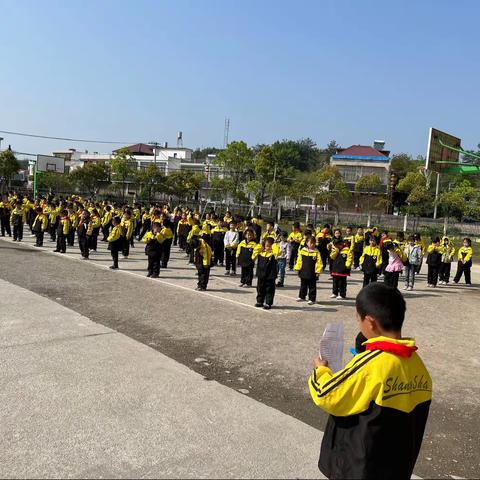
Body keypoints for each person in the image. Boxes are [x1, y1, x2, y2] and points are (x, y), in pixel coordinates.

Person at [308, 283, 432, 480]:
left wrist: (320, 370)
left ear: (370, 322)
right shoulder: (417, 364)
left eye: (358, 318)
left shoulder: (373, 364)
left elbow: (326, 394)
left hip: (361, 466)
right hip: (397, 466)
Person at [294, 236, 323, 305]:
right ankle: (302, 296)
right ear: (306, 243)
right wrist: (298, 268)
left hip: (312, 272)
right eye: (311, 243)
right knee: (303, 285)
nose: (312, 244)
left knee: (312, 286)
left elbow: (319, 262)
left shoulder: (316, 252)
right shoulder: (303, 251)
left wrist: (318, 271)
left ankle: (312, 299)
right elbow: (299, 260)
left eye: (314, 243)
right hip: (303, 271)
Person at [253, 237, 278, 310]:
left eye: (270, 246)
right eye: (266, 246)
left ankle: (268, 302)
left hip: (270, 275)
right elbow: (254, 254)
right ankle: (259, 301)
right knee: (260, 288)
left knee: (269, 289)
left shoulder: (273, 254)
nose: (268, 247)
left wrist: (274, 244)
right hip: (261, 274)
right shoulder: (261, 253)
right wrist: (261, 244)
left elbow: (278, 252)